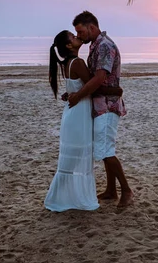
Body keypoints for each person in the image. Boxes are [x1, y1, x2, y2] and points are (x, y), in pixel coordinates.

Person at [45, 30, 123, 212]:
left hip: (73, 113)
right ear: (68, 46)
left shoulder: (68, 64)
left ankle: (65, 194)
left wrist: (72, 94)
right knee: (80, 155)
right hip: (79, 114)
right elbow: (93, 86)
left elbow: (77, 87)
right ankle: (73, 197)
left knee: (72, 158)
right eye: (73, 37)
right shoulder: (78, 63)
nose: (77, 37)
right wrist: (115, 91)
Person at [68, 11, 134, 208]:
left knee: (105, 150)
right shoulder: (96, 46)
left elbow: (98, 78)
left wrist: (79, 96)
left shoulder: (104, 46)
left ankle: (127, 191)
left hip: (108, 104)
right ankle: (111, 190)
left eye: (80, 31)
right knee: (104, 148)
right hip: (100, 104)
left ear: (92, 27)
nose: (79, 36)